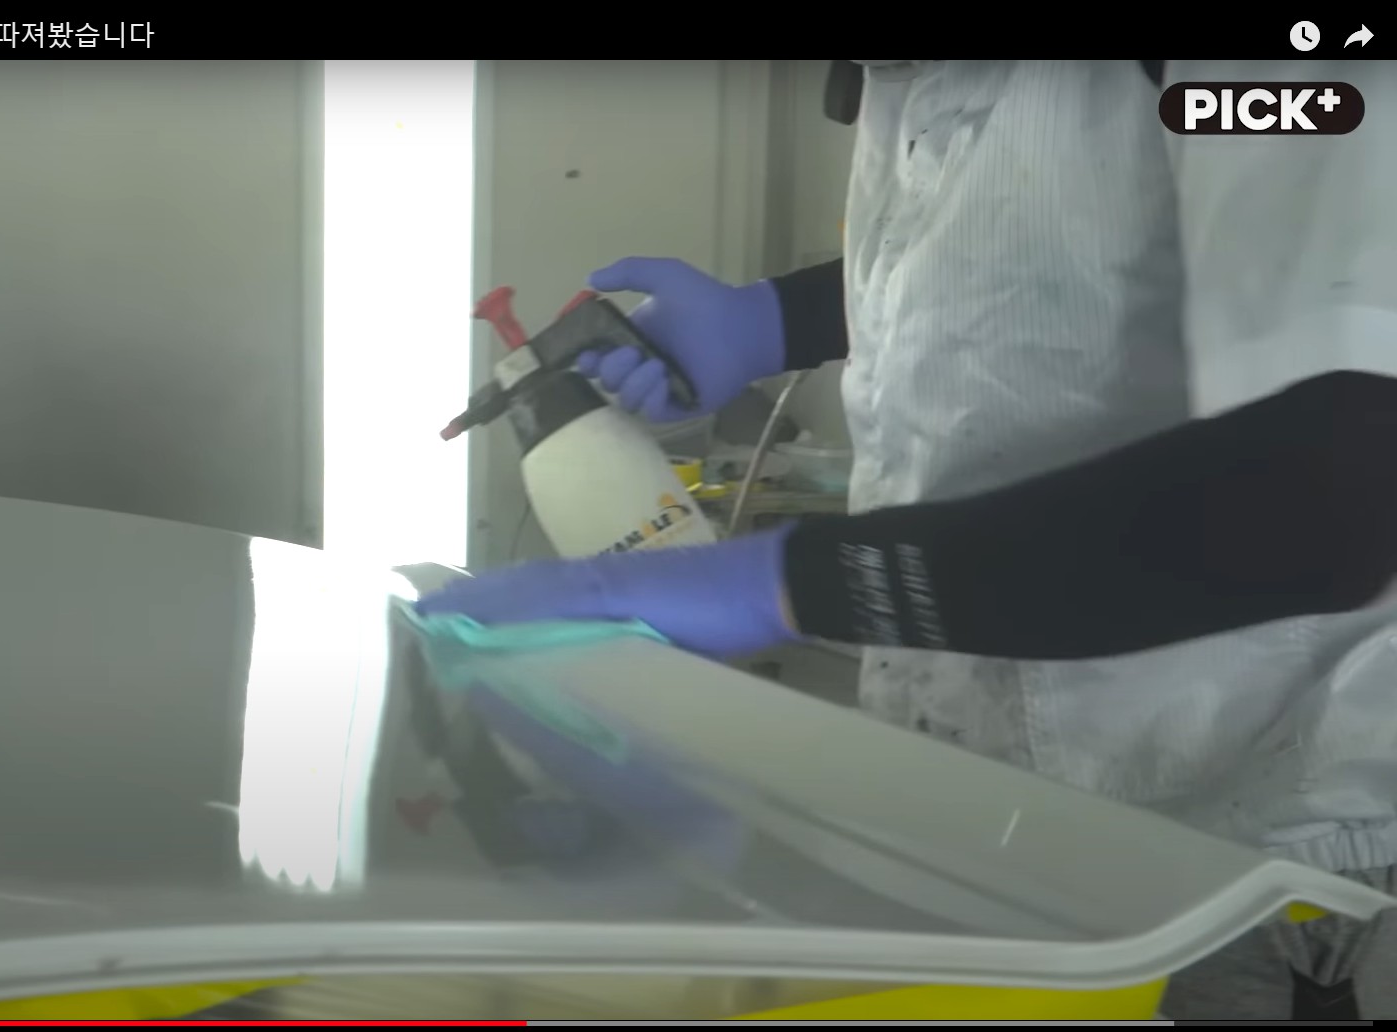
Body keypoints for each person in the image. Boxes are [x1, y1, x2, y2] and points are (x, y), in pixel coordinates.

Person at [417, 60, 1397, 1019]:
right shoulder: (916, 82)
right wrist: (773, 320)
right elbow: (1054, 246)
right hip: (1006, 817)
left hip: (1273, 861)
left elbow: (1330, 495)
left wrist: (783, 583)